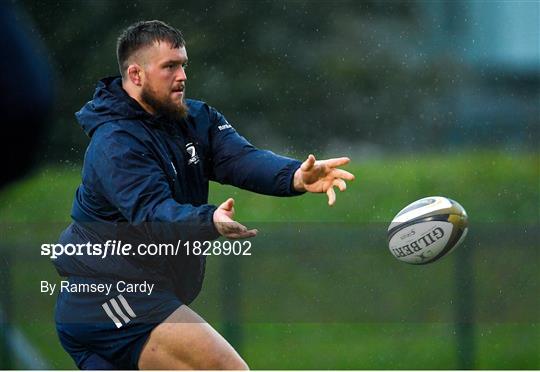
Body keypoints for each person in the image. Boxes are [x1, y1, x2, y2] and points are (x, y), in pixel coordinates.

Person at [53, 20, 355, 370]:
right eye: (169, 66)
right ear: (135, 74)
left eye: (183, 64)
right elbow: (152, 212)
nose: (181, 75)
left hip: (137, 294)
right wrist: (208, 219)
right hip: (107, 297)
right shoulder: (115, 144)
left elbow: (240, 159)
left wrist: (294, 176)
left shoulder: (196, 119)